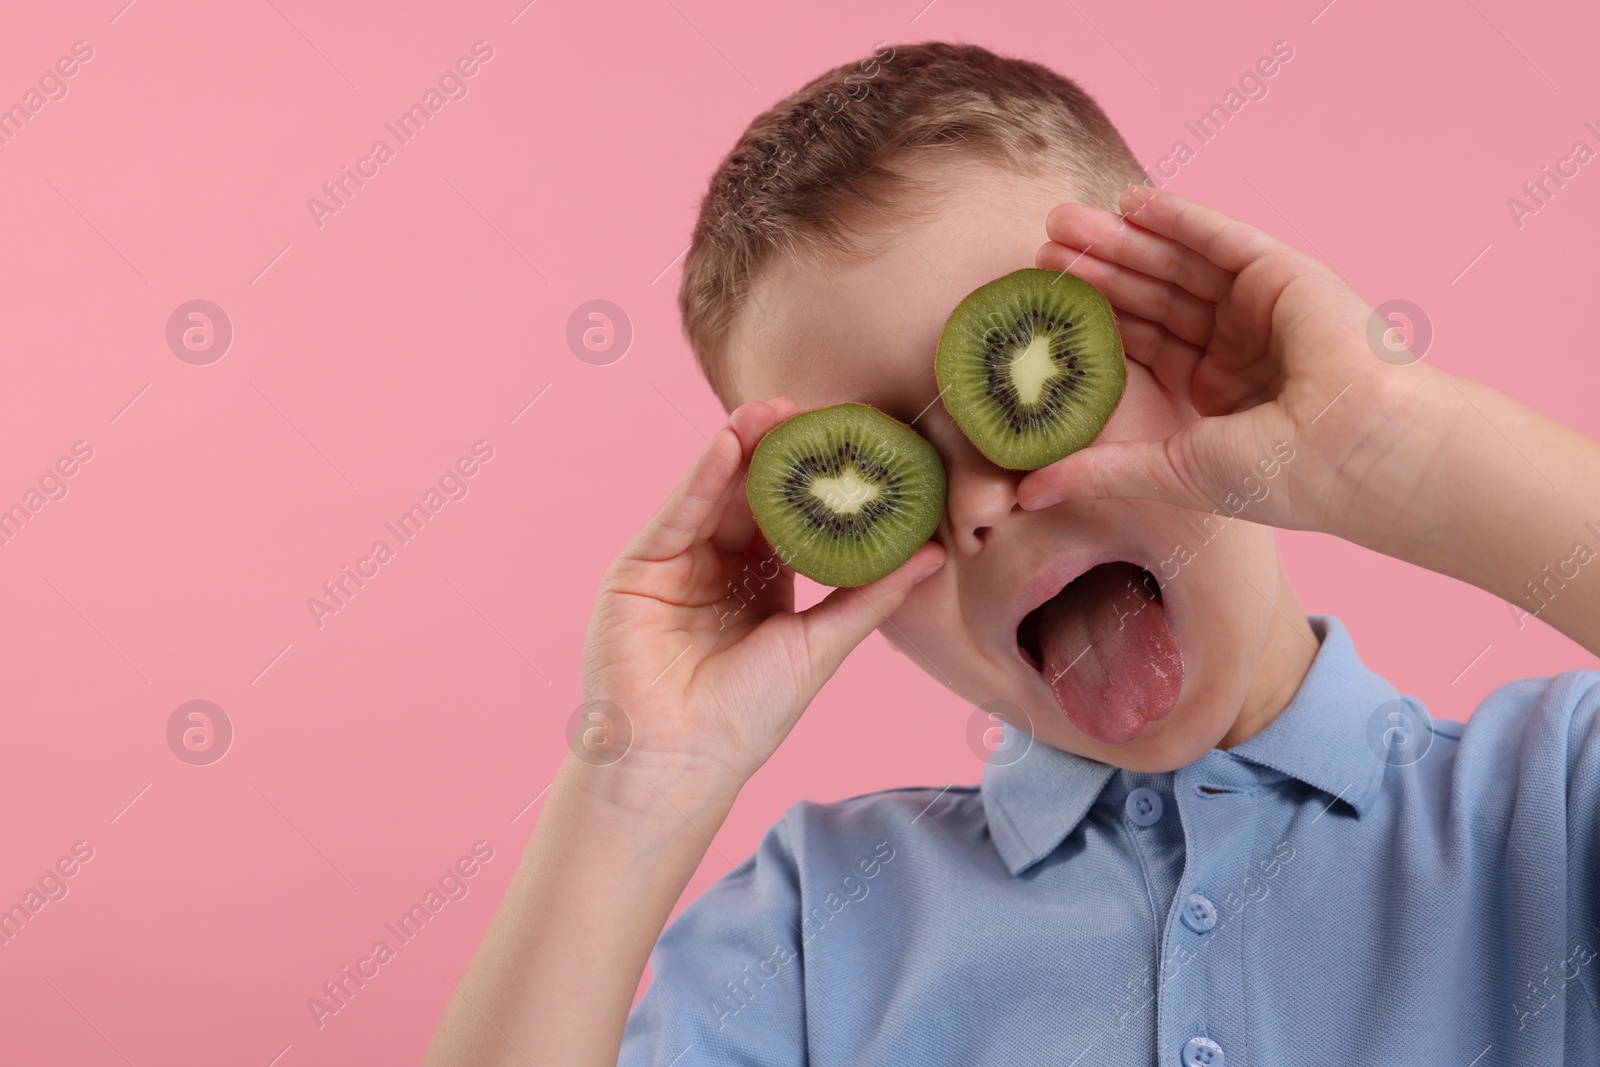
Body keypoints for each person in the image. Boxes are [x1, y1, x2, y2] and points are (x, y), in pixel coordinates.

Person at [423, 41, 1600, 1065]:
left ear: (1183, 324)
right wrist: (637, 784)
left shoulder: (1552, 795)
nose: (984, 500)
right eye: (884, 460)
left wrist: (1395, 442)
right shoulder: (808, 934)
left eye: (1033, 389)